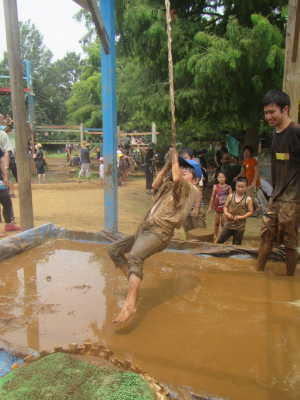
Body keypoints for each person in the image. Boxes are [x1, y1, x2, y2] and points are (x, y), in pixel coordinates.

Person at [107, 149, 201, 323]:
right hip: (145, 229)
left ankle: (130, 304)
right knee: (113, 250)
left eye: (187, 171)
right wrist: (167, 164)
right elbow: (155, 184)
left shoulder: (192, 189)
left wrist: (174, 158)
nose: (182, 171)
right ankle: (133, 282)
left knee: (135, 256)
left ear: (195, 179)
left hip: (160, 232)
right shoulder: (174, 187)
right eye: (182, 168)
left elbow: (179, 178)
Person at [257, 90, 300, 276]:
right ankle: (257, 274)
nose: (268, 117)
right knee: (266, 234)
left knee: (290, 242)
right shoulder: (274, 135)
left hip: (293, 198)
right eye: (266, 113)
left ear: (285, 109)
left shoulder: (296, 132)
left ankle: (290, 281)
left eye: (272, 112)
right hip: (276, 195)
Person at [217, 177, 253, 245]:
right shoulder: (230, 196)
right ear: (235, 186)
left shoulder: (248, 199)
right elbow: (225, 206)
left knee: (237, 245)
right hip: (228, 225)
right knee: (220, 241)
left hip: (240, 227)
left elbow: (250, 211)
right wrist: (227, 214)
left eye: (242, 187)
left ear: (246, 187)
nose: (240, 189)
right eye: (238, 186)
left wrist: (241, 217)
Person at [208, 172, 232, 242]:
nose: (221, 179)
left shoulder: (228, 187)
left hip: (225, 208)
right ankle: (215, 235)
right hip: (217, 208)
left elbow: (231, 198)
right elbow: (212, 197)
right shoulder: (215, 186)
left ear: (225, 178)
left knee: (224, 223)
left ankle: (224, 237)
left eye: (223, 177)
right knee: (216, 223)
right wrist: (210, 207)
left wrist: (230, 208)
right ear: (217, 178)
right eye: (219, 177)